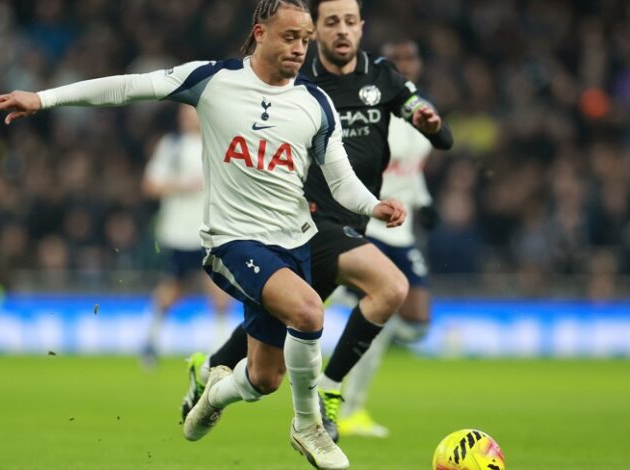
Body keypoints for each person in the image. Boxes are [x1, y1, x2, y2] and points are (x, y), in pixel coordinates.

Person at [0, 1, 406, 468]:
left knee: (265, 378)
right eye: (290, 37)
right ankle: (308, 427)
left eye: (305, 39)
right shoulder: (213, 80)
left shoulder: (314, 102)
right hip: (231, 241)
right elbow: (130, 87)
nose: (299, 48)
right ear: (260, 32)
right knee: (309, 311)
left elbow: (341, 180)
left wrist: (374, 205)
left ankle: (211, 396)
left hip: (293, 243)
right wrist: (44, 98)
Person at [183, 0, 453, 443]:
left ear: (361, 29)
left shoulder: (383, 75)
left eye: (350, 22)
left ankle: (208, 369)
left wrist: (431, 123)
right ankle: (328, 395)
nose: (342, 31)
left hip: (352, 222)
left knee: (273, 331)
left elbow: (441, 137)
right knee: (390, 287)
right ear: (315, 32)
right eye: (331, 23)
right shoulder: (300, 84)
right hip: (309, 219)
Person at [339, 38, 441, 438]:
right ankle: (349, 409)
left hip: (403, 231)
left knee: (417, 322)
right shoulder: (369, 110)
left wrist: (425, 200)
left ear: (418, 63)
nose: (403, 64)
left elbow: (412, 169)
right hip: (367, 224)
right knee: (308, 305)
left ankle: (355, 312)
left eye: (410, 57)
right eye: (395, 60)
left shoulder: (423, 112)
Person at [139, 104, 232, 371]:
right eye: (185, 114)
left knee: (219, 288)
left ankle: (219, 351)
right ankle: (150, 341)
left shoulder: (217, 144)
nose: (189, 119)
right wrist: (182, 185)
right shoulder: (171, 146)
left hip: (211, 230)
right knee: (172, 289)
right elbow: (150, 185)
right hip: (178, 231)